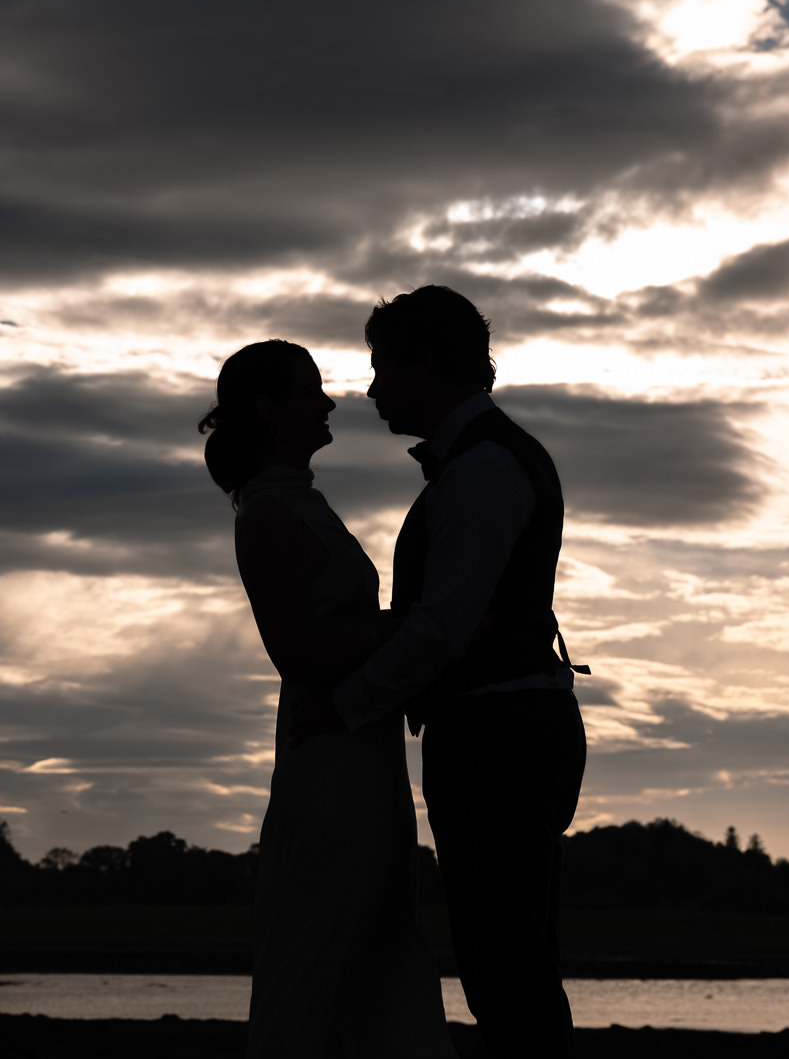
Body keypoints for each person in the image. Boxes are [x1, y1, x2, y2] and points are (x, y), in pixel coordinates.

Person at [325, 286, 588, 1057]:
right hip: (507, 728)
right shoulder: (491, 462)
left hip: (495, 738)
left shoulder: (480, 472)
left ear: (427, 363)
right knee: (508, 961)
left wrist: (346, 704)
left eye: (382, 368)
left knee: (504, 966)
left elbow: (442, 627)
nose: (371, 390)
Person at [199, 340, 457, 1059]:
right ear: (271, 408)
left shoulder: (297, 502)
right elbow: (299, 649)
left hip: (362, 754)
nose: (330, 401)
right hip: (331, 762)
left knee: (376, 950)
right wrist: (419, 625)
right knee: (323, 951)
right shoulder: (269, 512)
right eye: (311, 389)